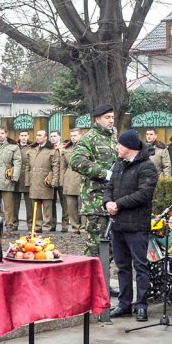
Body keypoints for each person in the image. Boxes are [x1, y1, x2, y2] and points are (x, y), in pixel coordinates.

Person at [104, 130, 158, 322]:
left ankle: (142, 305)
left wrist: (119, 204)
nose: (117, 147)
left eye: (119, 144)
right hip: (118, 225)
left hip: (136, 225)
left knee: (140, 266)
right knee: (122, 266)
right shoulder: (118, 164)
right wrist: (108, 202)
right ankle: (124, 304)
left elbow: (144, 194)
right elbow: (108, 187)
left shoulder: (147, 167)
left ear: (129, 147)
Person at [69, 105, 117, 255]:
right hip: (95, 201)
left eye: (112, 118)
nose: (111, 121)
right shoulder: (89, 139)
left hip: (112, 200)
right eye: (107, 118)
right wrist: (105, 174)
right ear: (97, 119)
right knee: (96, 248)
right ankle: (90, 278)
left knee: (110, 248)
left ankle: (102, 277)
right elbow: (76, 161)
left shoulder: (113, 139)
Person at [27, 130, 62, 234]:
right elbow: (27, 167)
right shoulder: (32, 150)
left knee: (47, 205)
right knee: (35, 205)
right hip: (34, 180)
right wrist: (27, 181)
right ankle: (37, 225)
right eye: (37, 135)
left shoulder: (52, 150)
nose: (37, 137)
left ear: (45, 137)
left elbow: (56, 167)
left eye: (40, 135)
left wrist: (54, 181)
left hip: (46, 181)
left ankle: (47, 225)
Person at [61, 129, 83, 234]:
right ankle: (75, 227)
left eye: (75, 135)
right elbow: (62, 166)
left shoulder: (85, 147)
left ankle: (83, 228)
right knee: (70, 205)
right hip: (69, 177)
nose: (73, 137)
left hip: (82, 176)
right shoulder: (67, 149)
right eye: (71, 135)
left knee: (82, 205)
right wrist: (62, 181)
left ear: (80, 135)